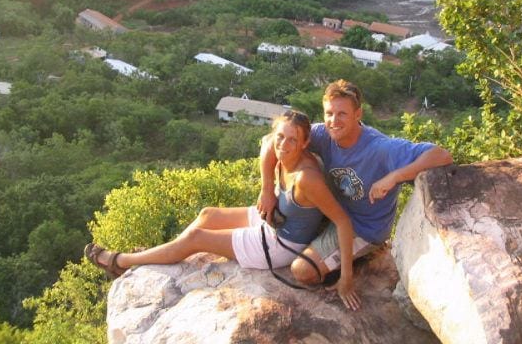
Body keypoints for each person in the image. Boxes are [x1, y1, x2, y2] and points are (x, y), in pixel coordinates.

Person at [85, 109, 361, 310]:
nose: (283, 145)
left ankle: (120, 262)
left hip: (281, 242)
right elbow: (267, 146)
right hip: (273, 220)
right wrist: (267, 189)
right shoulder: (278, 150)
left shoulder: (306, 177)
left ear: (304, 144)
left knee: (197, 239)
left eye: (292, 140)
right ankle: (159, 254)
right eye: (280, 136)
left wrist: (346, 279)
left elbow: (343, 222)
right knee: (208, 214)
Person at [258, 80, 453, 294]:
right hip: (336, 213)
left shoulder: (380, 148)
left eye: (342, 114)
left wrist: (394, 176)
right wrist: (267, 189)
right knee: (300, 152)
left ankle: (361, 256)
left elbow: (441, 155)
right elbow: (271, 141)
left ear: (358, 114)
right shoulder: (324, 134)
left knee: (303, 271)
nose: (334, 121)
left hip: (364, 227)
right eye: (329, 113)